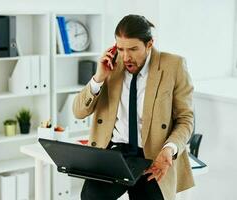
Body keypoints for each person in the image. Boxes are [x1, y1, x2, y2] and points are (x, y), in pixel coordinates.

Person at [73, 14, 194, 200]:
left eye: (133, 49)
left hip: (153, 155)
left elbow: (185, 120)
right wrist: (99, 78)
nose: (126, 56)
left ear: (149, 44)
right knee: (90, 197)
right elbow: (79, 111)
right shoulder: (111, 66)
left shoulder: (173, 66)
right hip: (116, 154)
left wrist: (169, 149)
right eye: (120, 49)